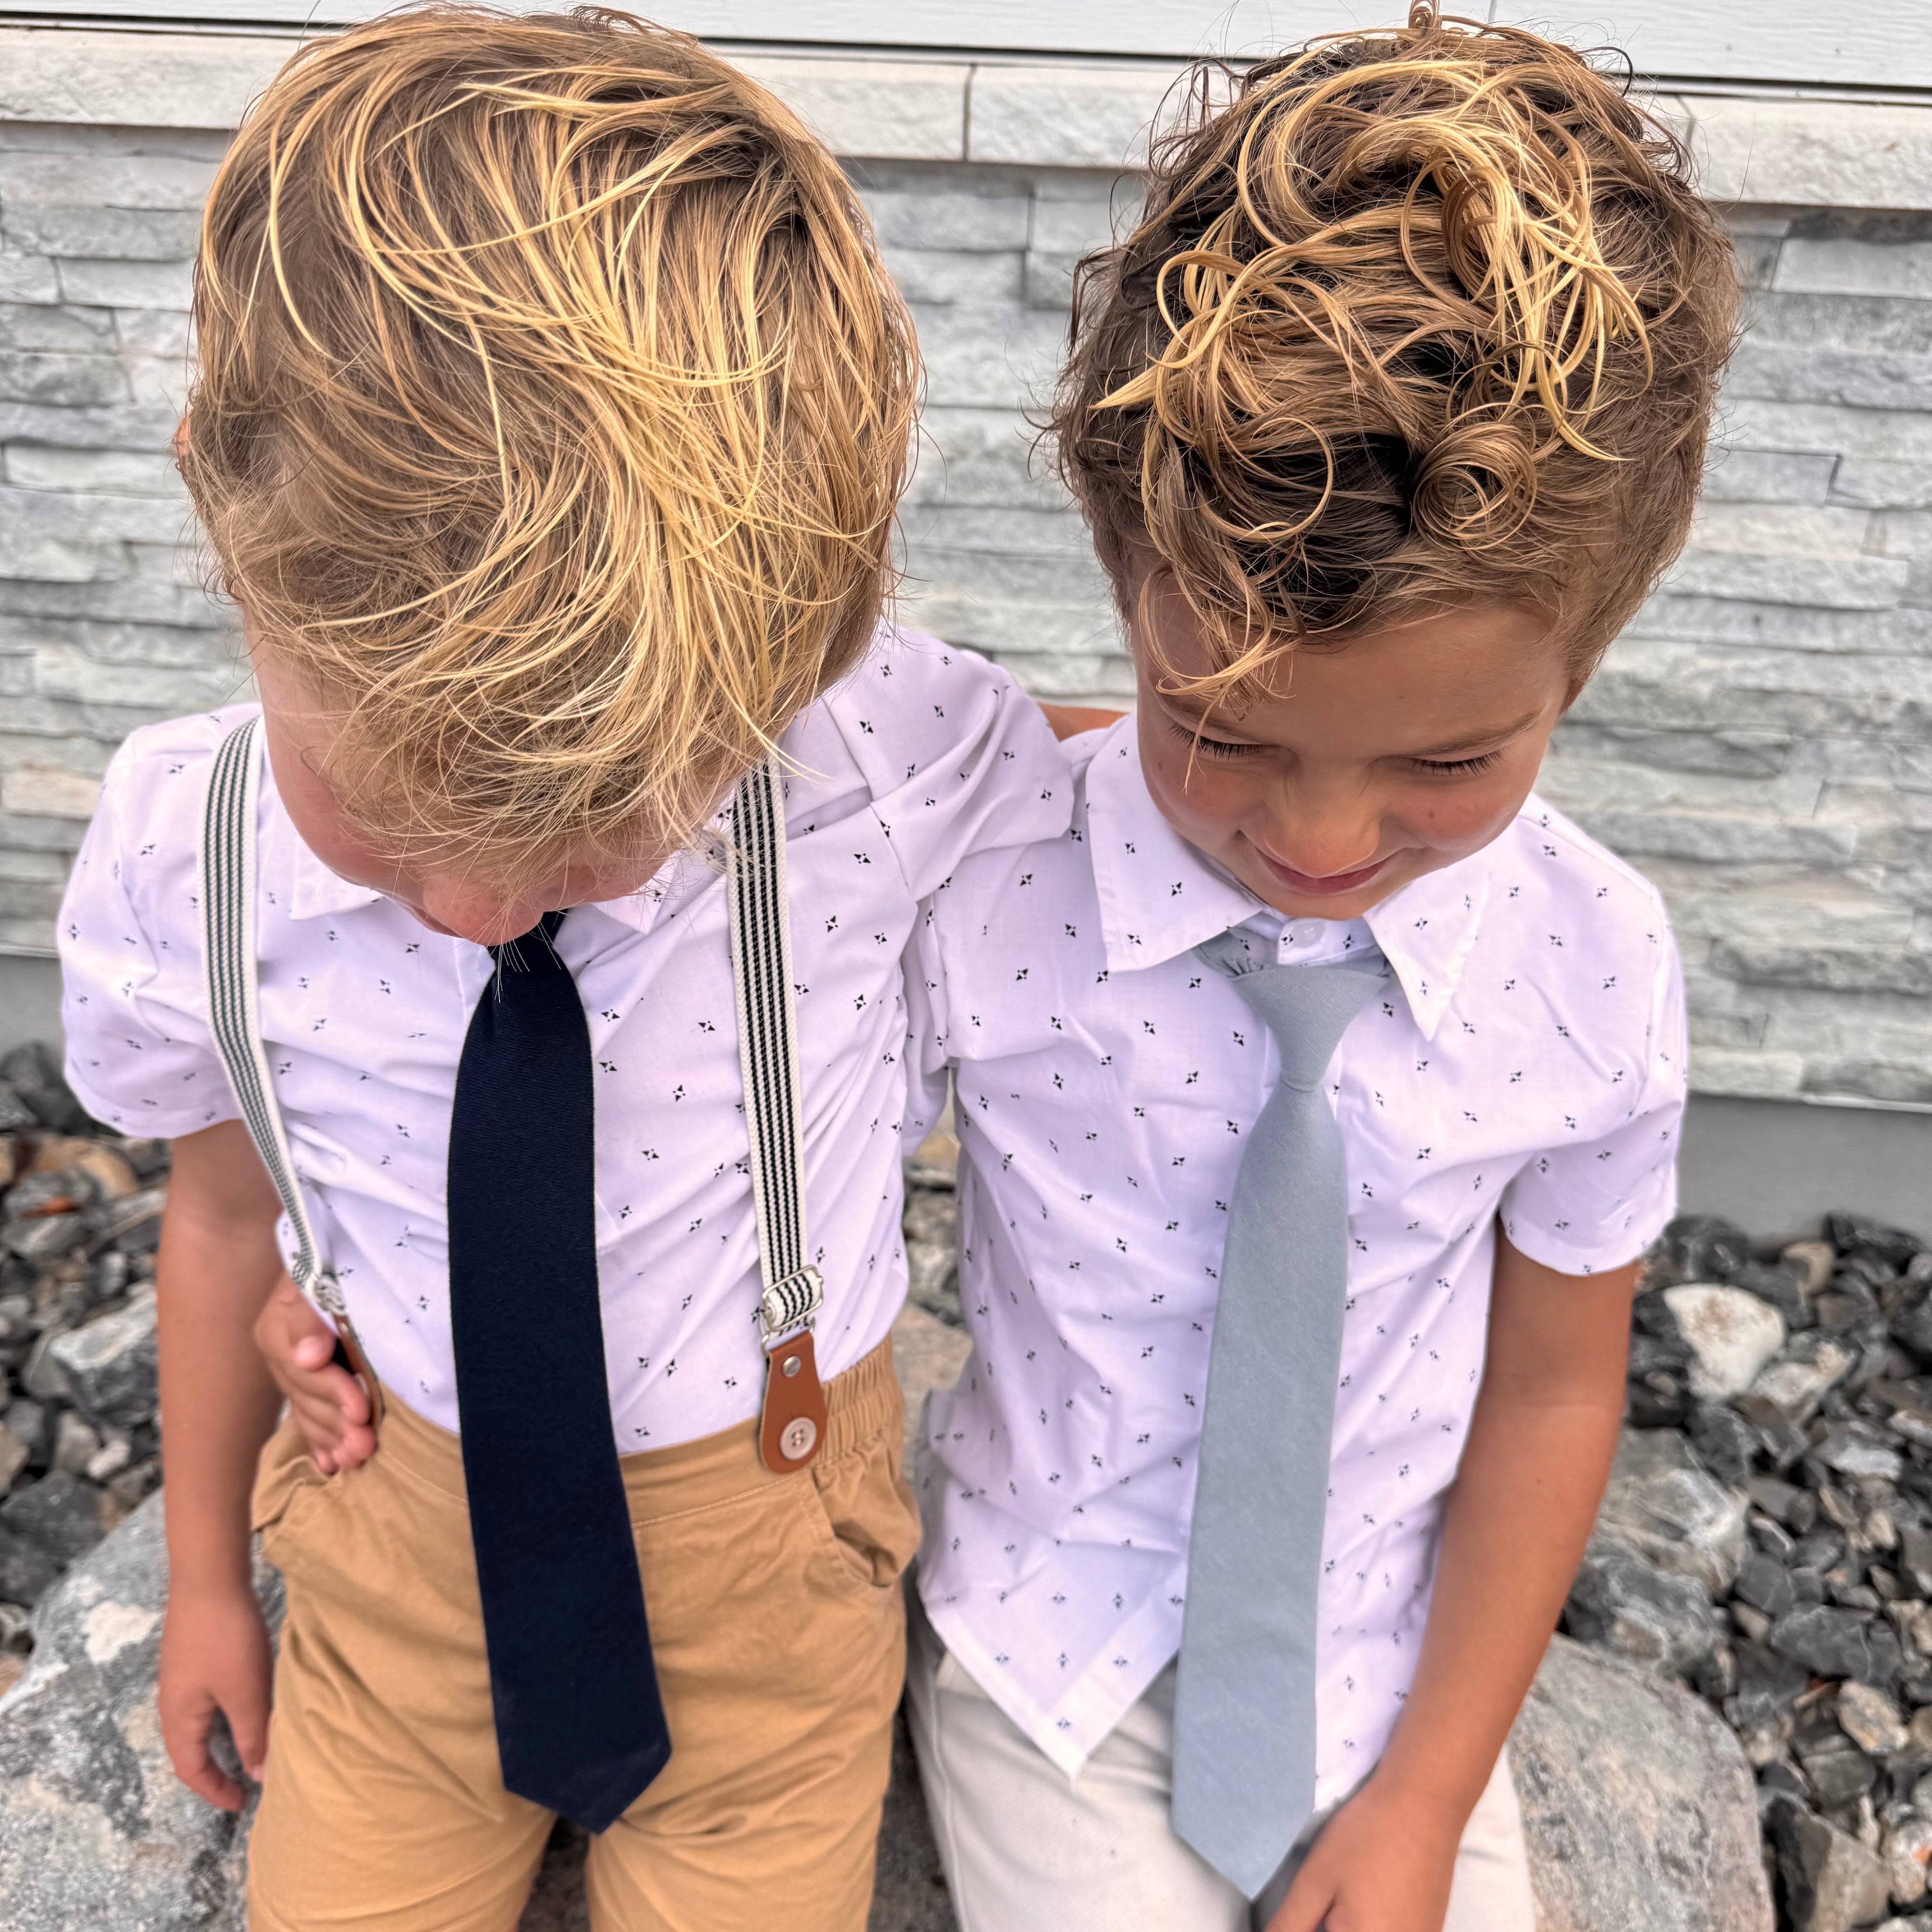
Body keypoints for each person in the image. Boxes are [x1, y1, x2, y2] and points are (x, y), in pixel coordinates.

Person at [55, 11, 1068, 1931]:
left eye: (605, 833)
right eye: (389, 810)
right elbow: (214, 1216)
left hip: (770, 1600)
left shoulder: (885, 755)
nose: (479, 914)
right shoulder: (178, 852)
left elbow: (1170, 770)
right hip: (396, 1599)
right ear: (224, 519)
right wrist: (204, 1573)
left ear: (803, 665)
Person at [893, 12, 1736, 1932]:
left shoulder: (1595, 967)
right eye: (1225, 734)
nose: (1326, 844)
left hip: (1387, 1681)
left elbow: (1547, 1396)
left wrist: (1435, 1795)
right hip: (1055, 1656)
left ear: (1587, 656)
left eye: (1448, 762)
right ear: (1127, 584)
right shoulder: (986, 864)